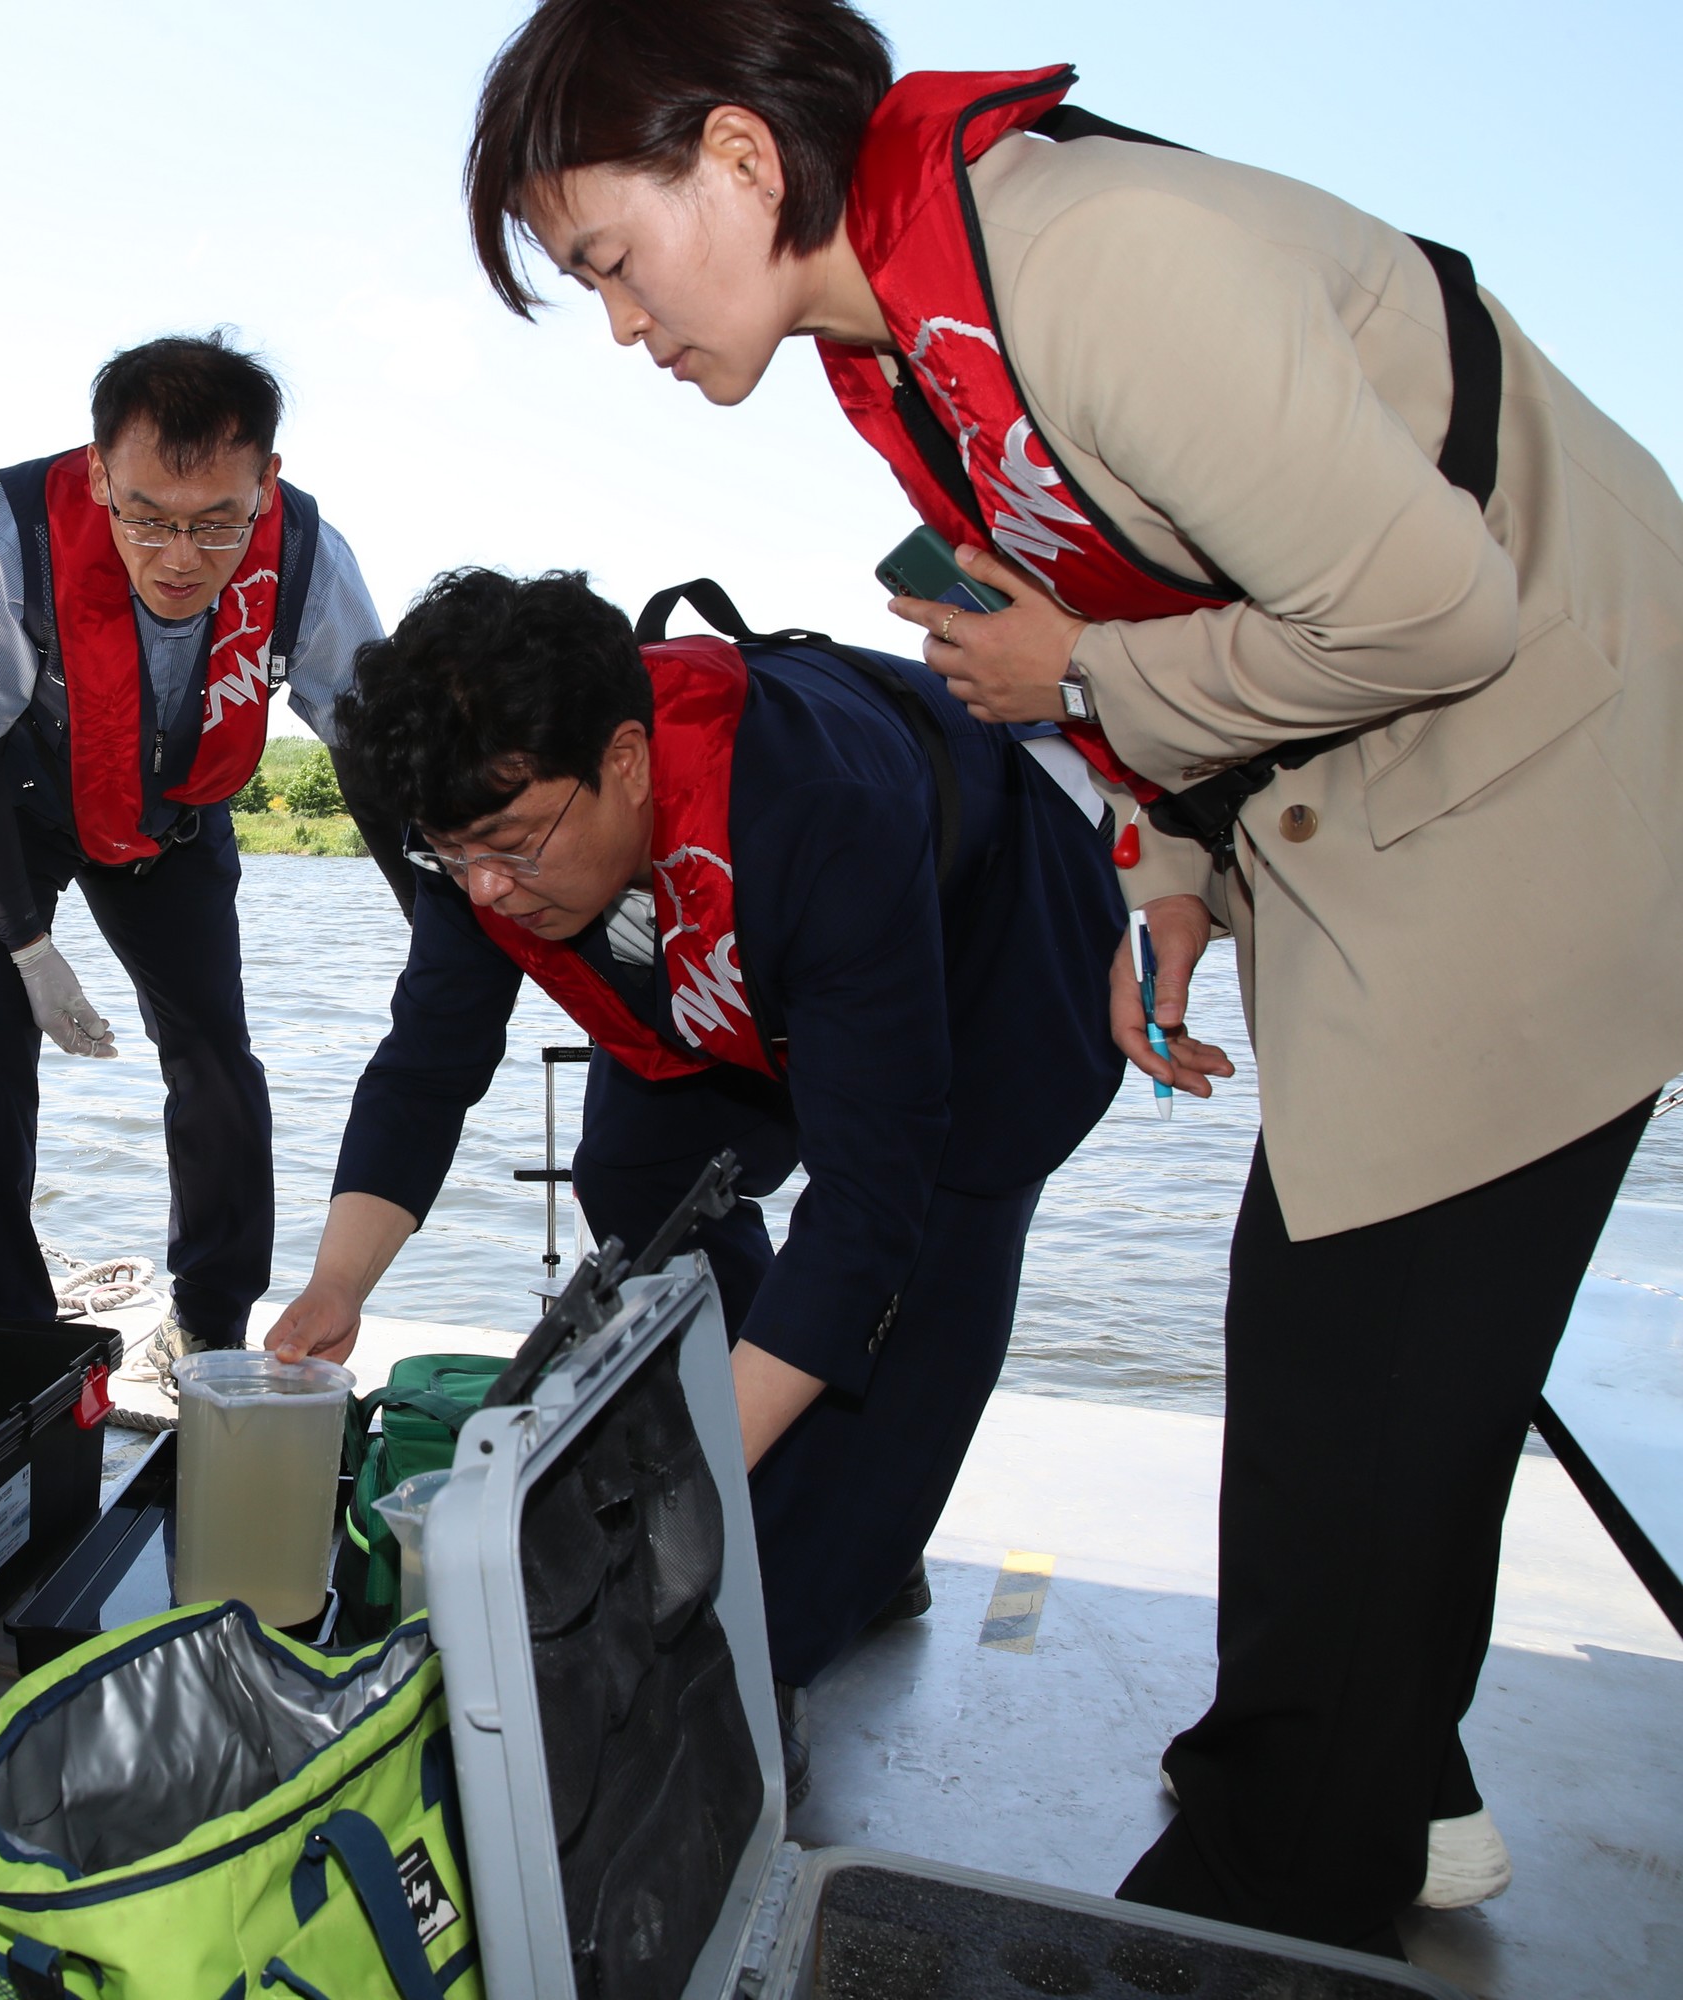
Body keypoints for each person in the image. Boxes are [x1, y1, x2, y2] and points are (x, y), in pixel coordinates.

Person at [461, 0, 1683, 1956]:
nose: (618, 322)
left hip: (1557, 776)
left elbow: (1437, 602)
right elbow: (1180, 584)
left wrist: (1090, 693)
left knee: (1351, 1363)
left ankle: (1278, 1875)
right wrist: (1173, 861)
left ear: (747, 162)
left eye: (610, 258)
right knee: (1359, 1369)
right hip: (1366, 796)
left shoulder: (1094, 266)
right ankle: (1394, 1778)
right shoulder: (914, 367)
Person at [265, 566, 1123, 1797]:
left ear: (626, 758)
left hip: (987, 938)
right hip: (722, 941)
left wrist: (707, 1467)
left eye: (509, 849)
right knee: (636, 1166)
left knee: (918, 1265)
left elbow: (868, 1211)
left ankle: (810, 1593)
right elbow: (427, 1060)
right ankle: (756, 1477)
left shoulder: (813, 808)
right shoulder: (483, 820)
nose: (487, 890)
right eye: (457, 858)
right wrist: (337, 1283)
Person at [0, 333, 390, 1385]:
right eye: (147, 518)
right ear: (98, 475)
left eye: (218, 521)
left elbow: (377, 757)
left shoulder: (310, 559)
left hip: (168, 813)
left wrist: (433, 919)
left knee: (215, 1049)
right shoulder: (2, 543)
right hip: (6, 793)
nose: (181, 557)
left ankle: (213, 1323)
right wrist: (29, 946)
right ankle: (4, 1340)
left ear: (265, 484)